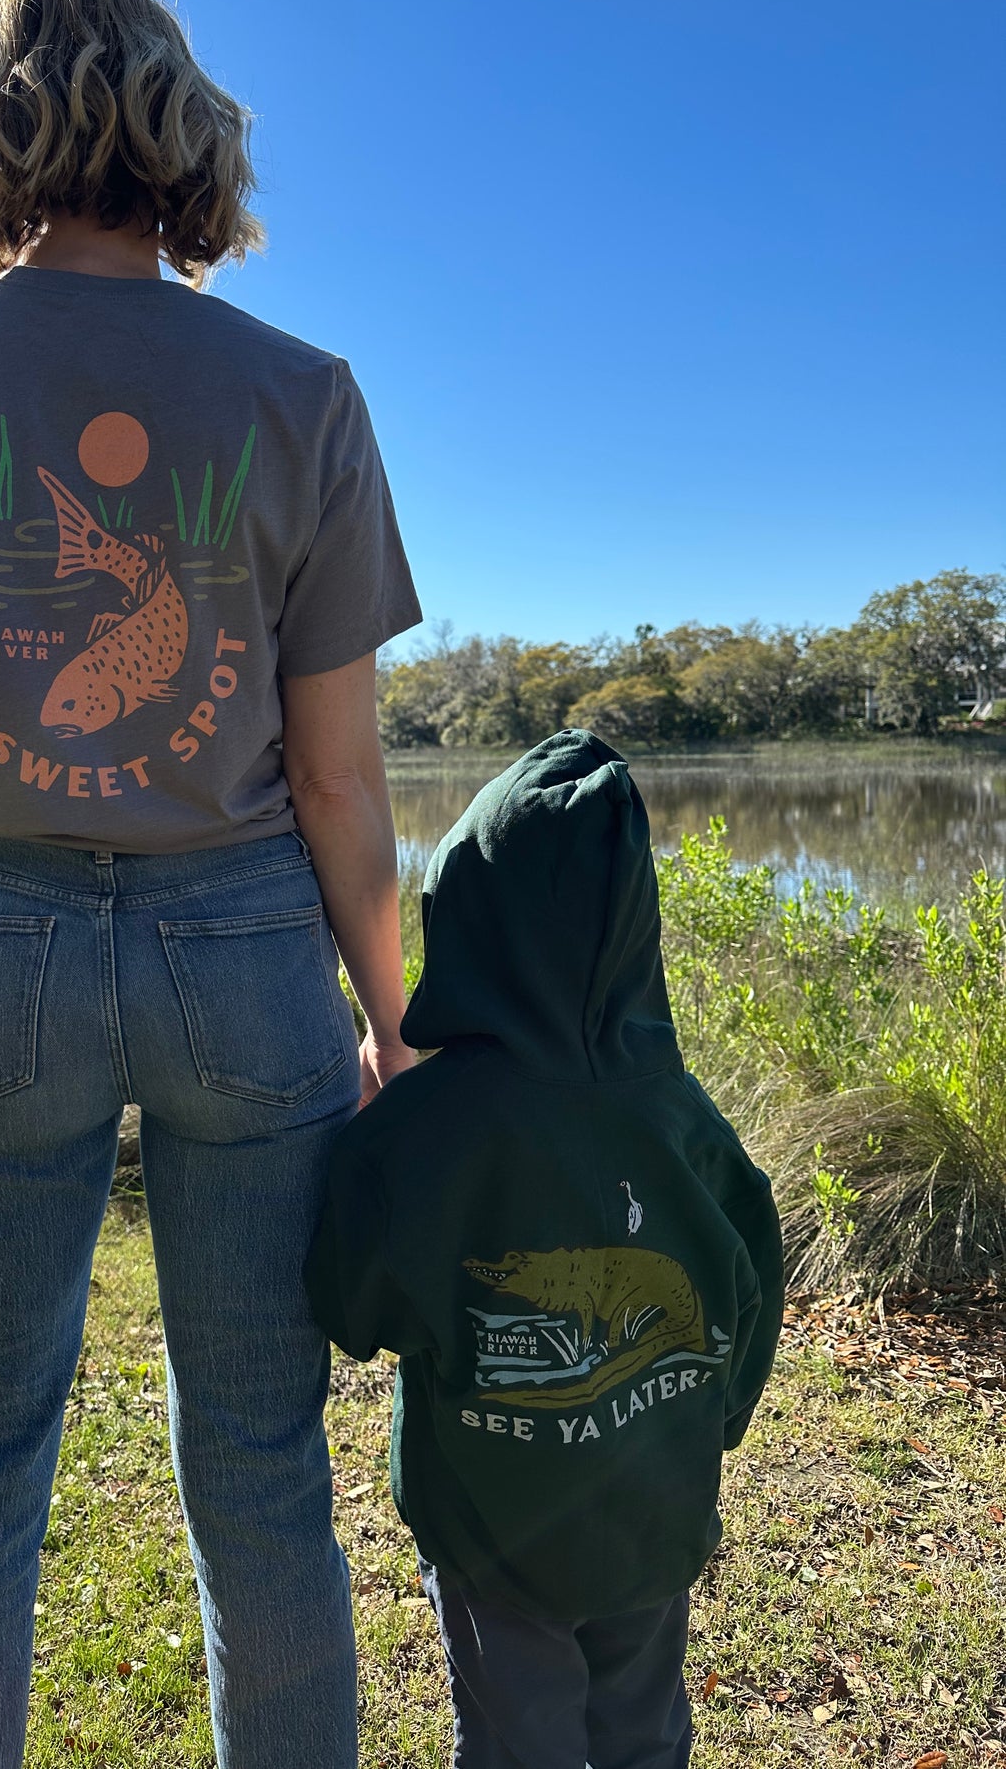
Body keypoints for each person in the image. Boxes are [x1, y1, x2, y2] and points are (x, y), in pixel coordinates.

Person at [0, 0, 421, 1769]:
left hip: (1, 937)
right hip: (246, 960)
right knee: (261, 1467)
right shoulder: (307, 395)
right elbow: (340, 783)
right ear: (184, 129)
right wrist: (399, 1022)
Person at [306, 730, 784, 1769]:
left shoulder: (414, 1131)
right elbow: (752, 1285)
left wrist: (367, 1131)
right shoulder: (683, 1117)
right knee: (643, 1735)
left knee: (514, 1745)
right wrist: (708, 1423)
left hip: (491, 1538)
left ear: (465, 920)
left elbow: (351, 1309)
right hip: (653, 1515)